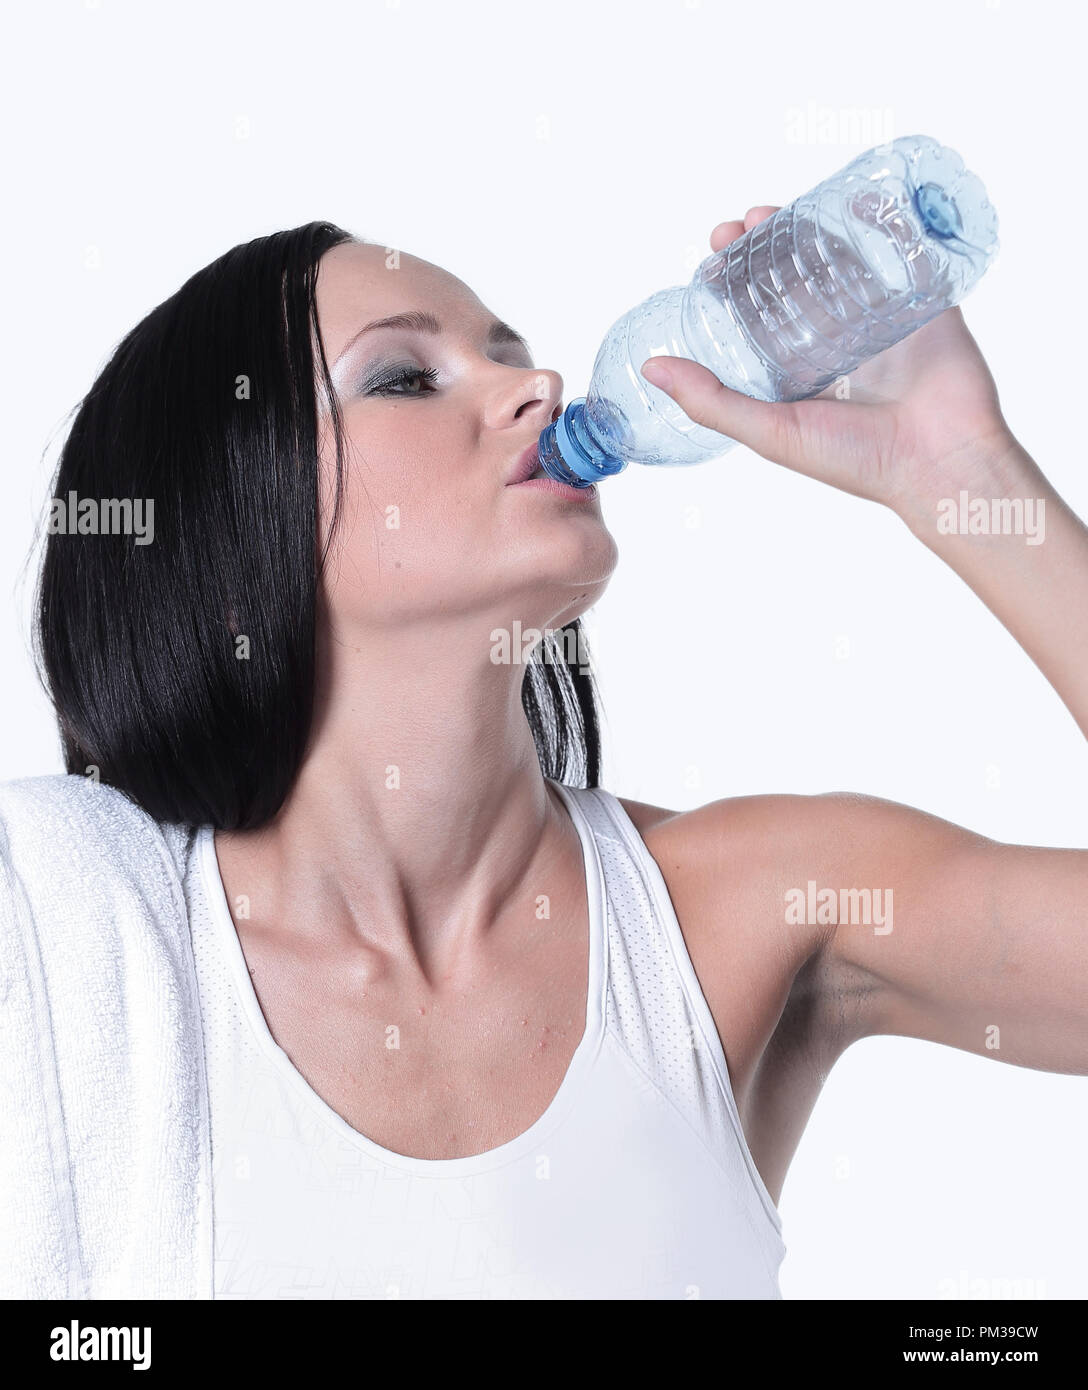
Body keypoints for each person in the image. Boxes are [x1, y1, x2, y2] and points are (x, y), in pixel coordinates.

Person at [5, 211, 1086, 1300]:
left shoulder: (745, 911)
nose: (541, 388)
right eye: (403, 379)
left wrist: (960, 470)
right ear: (222, 530)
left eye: (509, 354)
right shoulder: (69, 936)